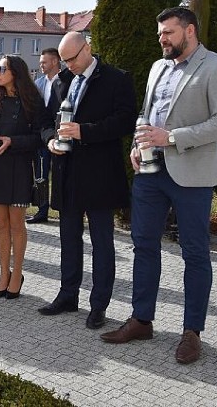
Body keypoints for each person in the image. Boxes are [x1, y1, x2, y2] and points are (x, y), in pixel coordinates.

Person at [101, 7, 217, 365]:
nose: (162, 39)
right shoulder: (157, 67)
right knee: (143, 245)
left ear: (190, 31)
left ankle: (192, 332)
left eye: (169, 33)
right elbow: (145, 115)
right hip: (150, 172)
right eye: (160, 33)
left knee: (194, 253)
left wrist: (172, 137)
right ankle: (141, 320)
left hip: (193, 175)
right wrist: (138, 144)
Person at [38, 32, 136, 330]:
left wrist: (85, 132)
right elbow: (44, 123)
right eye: (65, 60)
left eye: (73, 58)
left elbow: (125, 121)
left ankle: (99, 305)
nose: (69, 65)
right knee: (68, 238)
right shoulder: (63, 80)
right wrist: (50, 141)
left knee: (102, 243)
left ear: (88, 48)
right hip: (66, 172)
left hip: (100, 175)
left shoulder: (116, 79)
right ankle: (68, 295)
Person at [0, 55, 45, 299]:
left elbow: (39, 138)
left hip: (19, 166)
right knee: (1, 224)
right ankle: (3, 273)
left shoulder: (32, 100)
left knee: (17, 223)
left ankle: (17, 273)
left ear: (16, 71)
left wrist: (12, 142)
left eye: (2, 68)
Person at [28, 48, 61, 224]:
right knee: (40, 174)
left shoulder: (65, 81)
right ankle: (42, 209)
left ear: (55, 62)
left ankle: (62, 207)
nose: (41, 65)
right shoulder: (38, 83)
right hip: (41, 136)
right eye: (40, 62)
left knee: (59, 174)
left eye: (44, 62)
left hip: (60, 136)